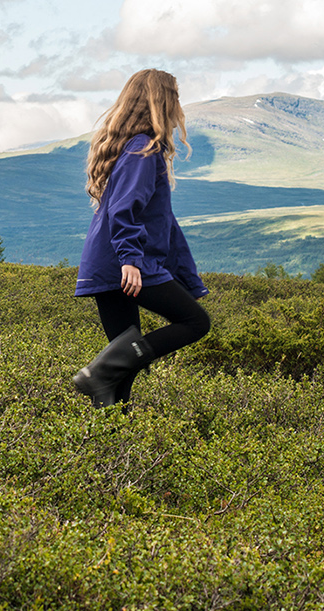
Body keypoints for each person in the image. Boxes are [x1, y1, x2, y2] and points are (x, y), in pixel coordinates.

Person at [70, 69, 211, 408]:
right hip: (125, 264)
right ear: (163, 101)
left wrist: (183, 274)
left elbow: (163, 223)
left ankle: (111, 437)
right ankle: (96, 374)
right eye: (175, 97)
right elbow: (123, 209)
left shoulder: (131, 147)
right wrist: (131, 260)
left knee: (122, 364)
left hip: (108, 264)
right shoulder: (144, 150)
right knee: (195, 322)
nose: (179, 106)